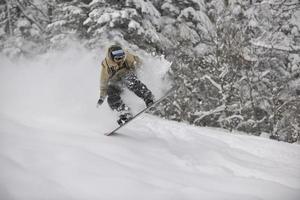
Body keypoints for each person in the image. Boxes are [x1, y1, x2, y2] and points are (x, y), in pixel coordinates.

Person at [97, 44, 155, 125]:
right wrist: (102, 97)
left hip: (128, 74)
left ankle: (148, 97)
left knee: (129, 80)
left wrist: (145, 70)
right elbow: (103, 81)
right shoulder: (106, 65)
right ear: (111, 57)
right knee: (110, 92)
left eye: (122, 57)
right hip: (116, 81)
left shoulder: (128, 57)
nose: (120, 60)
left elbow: (139, 62)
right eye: (117, 58)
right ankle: (123, 111)